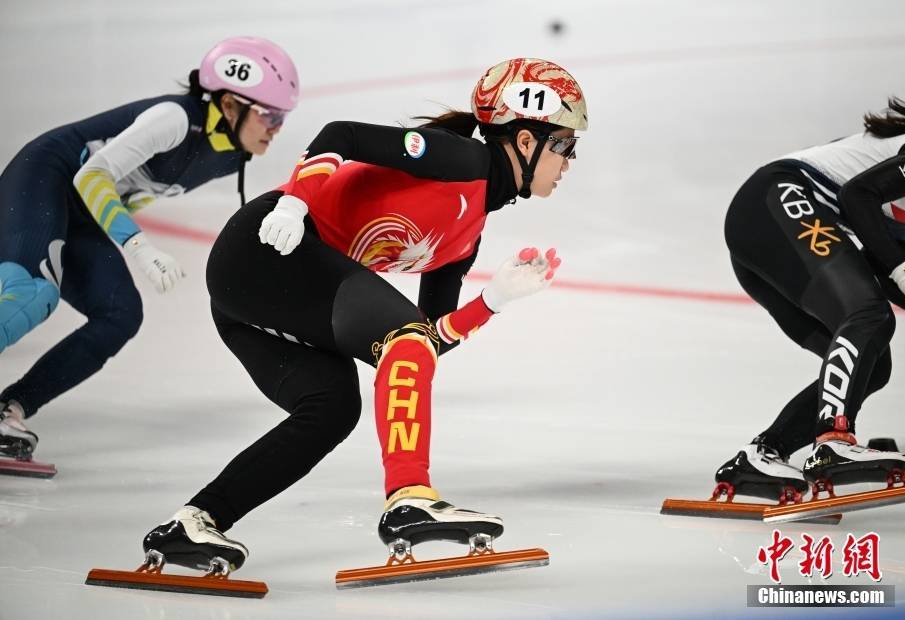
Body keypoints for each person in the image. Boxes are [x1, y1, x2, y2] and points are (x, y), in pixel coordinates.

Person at [140, 58, 587, 575]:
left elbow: (425, 346)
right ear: (526, 142)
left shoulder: (467, 237)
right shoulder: (460, 158)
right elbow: (342, 134)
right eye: (564, 145)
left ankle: (193, 522)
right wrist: (292, 204)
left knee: (331, 409)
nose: (570, 162)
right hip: (266, 245)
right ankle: (409, 497)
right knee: (401, 338)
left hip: (251, 299)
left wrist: (491, 303)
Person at [0, 37, 300, 462]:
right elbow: (93, 176)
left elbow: (134, 190)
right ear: (230, 105)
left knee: (121, 314)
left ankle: (11, 406)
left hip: (80, 208)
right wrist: (136, 245)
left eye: (283, 116)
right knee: (34, 293)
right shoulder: (173, 118)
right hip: (47, 175)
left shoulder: (231, 155)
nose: (277, 127)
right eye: (270, 114)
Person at [714, 97, 905, 502]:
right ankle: (833, 440)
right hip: (777, 200)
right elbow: (858, 195)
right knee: (868, 315)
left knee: (873, 362)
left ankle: (762, 453)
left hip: (766, 229)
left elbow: (873, 265)